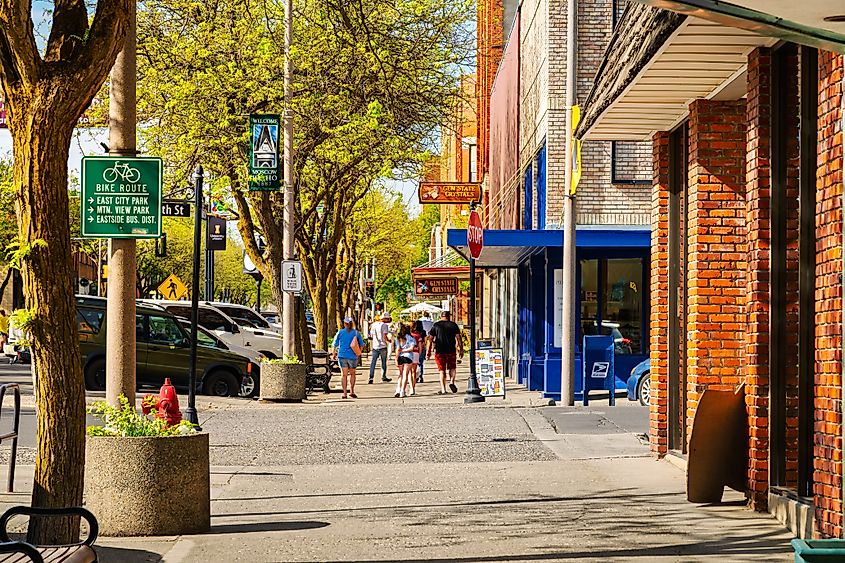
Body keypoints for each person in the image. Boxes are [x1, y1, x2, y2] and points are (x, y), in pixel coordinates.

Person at [427, 310, 463, 394]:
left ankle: (443, 389)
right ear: (448, 316)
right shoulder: (453, 325)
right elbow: (458, 338)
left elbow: (430, 339)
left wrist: (428, 351)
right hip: (451, 350)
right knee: (452, 367)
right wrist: (461, 349)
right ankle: (452, 382)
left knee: (442, 370)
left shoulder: (436, 325)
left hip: (440, 351)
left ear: (441, 316)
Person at [331, 317, 365, 399]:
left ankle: (344, 393)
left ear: (344, 324)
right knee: (352, 373)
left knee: (344, 375)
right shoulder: (356, 333)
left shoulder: (340, 332)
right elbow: (362, 345)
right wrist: (358, 353)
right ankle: (352, 391)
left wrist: (334, 354)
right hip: (353, 356)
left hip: (342, 355)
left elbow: (334, 344)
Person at [368, 312, 393, 384]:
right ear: (384, 319)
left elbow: (371, 335)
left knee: (373, 362)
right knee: (383, 362)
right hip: (382, 346)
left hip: (375, 346)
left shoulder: (374, 324)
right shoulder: (384, 325)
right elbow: (385, 336)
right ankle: (383, 377)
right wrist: (389, 340)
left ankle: (371, 377)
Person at [394, 323, 417, 398]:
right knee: (405, 374)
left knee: (400, 374)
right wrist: (404, 350)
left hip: (400, 357)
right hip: (408, 357)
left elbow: (397, 349)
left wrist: (396, 358)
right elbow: (412, 348)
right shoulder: (411, 338)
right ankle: (402, 391)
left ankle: (398, 389)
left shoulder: (398, 338)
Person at [418, 311, 434, 382]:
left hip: (415, 348)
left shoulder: (420, 320)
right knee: (421, 362)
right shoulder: (430, 321)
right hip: (427, 337)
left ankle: (416, 375)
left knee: (415, 363)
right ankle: (420, 375)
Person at [410, 319, 425, 384]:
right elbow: (425, 340)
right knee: (420, 363)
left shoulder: (412, 333)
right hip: (421, 348)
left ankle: (415, 378)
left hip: (412, 350)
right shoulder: (423, 332)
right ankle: (420, 375)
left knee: (412, 366)